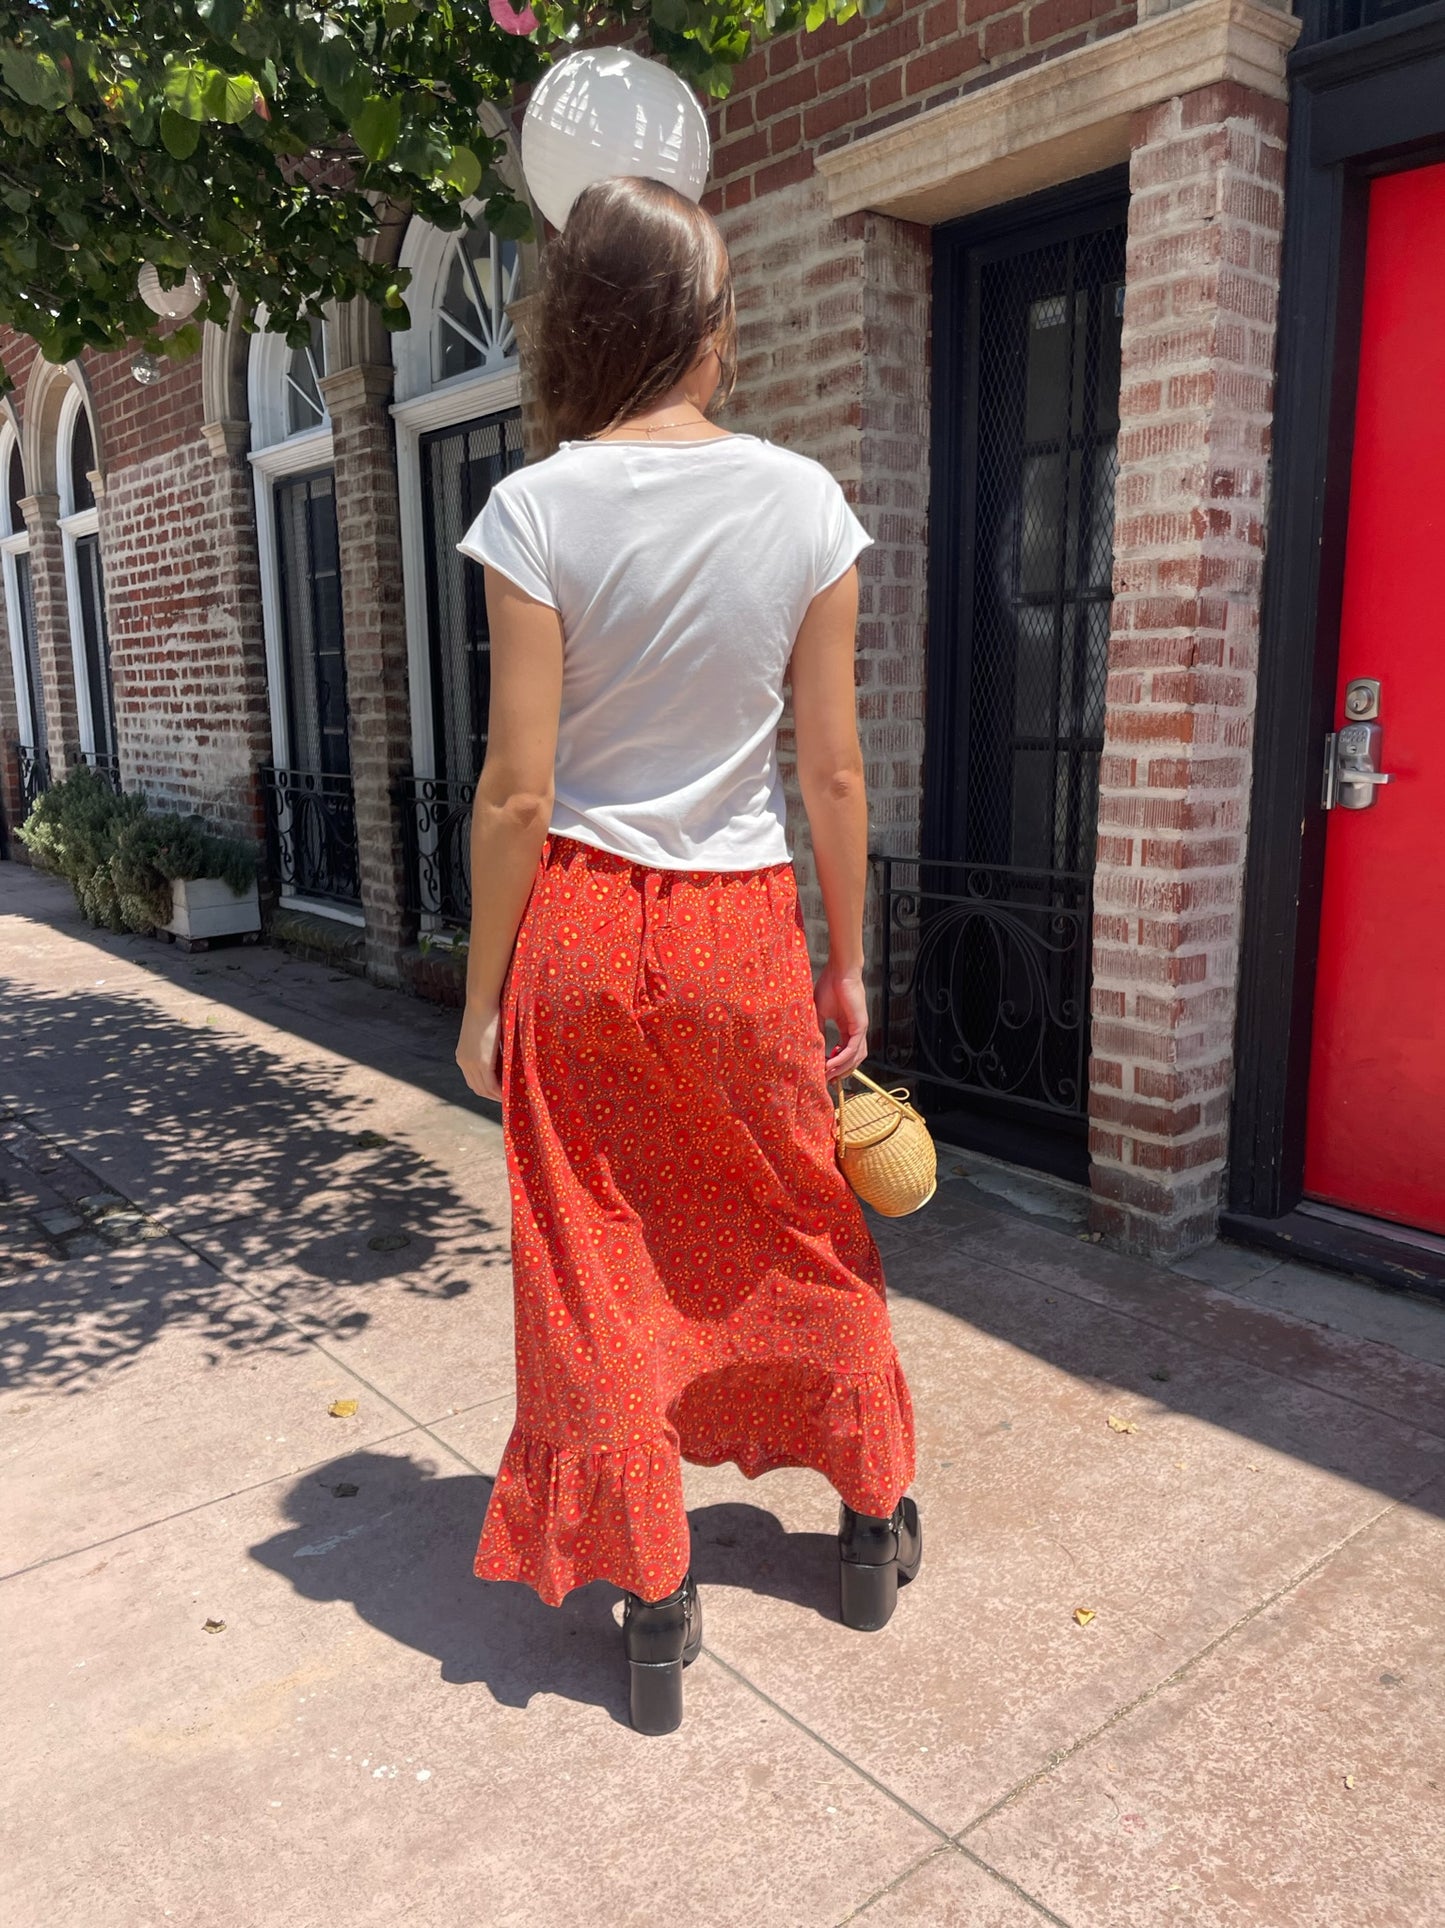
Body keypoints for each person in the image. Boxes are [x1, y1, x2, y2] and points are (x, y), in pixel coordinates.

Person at [453, 175, 919, 1736]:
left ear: (581, 325)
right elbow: (833, 770)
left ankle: (654, 1605)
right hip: (737, 929)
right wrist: (848, 959)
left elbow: (517, 787)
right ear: (702, 327)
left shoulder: (534, 508)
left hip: (580, 924)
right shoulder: (800, 502)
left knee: (591, 1256)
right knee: (796, 1216)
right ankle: (866, 1526)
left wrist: (479, 996)